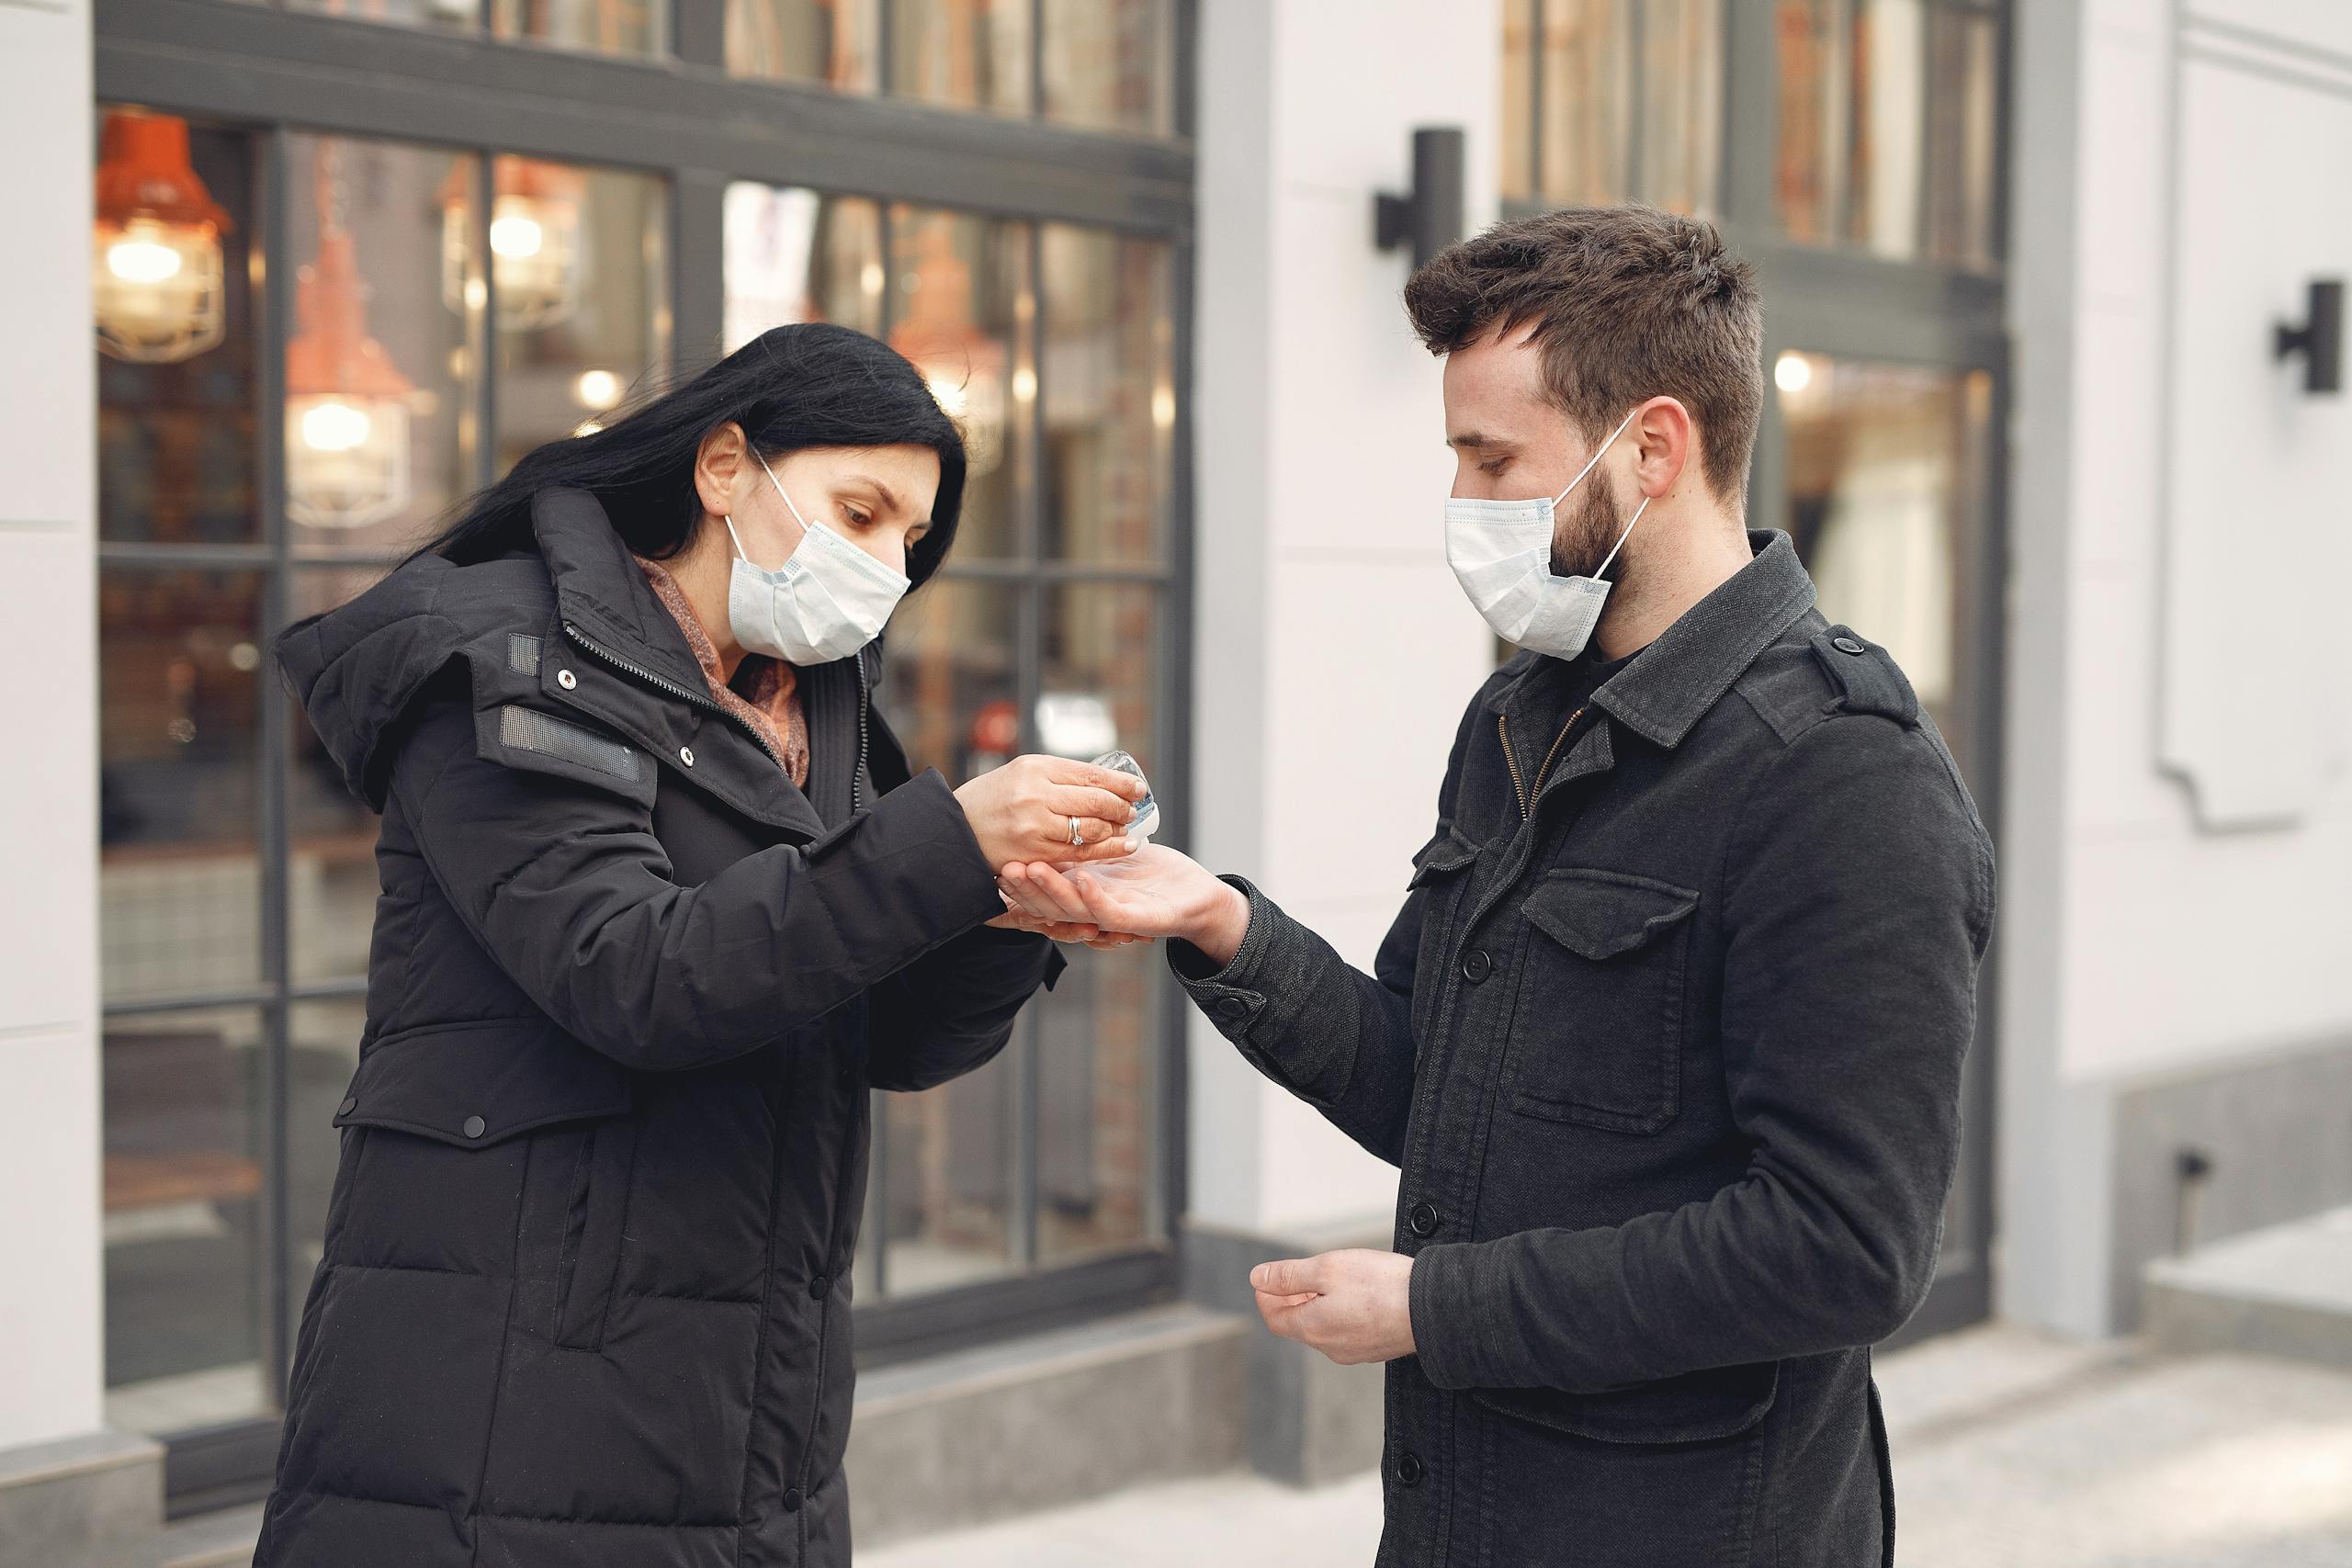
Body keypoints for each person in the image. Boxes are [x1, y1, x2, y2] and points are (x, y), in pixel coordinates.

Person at [1002, 207, 1995, 1566]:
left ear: (1654, 447)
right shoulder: (1518, 721)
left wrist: (1437, 1309)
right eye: (1456, 460)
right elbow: (1428, 1084)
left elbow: (1842, 1248)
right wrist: (1218, 924)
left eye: (1494, 460)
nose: (1465, 507)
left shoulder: (1843, 779)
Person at [254, 322, 1148, 1568]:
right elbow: (634, 974)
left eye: (911, 538)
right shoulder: (510, 662)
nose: (888, 565)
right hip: (516, 1378)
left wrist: (993, 916)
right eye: (861, 509)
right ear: (725, 467)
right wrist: (943, 842)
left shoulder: (815, 704)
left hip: (752, 1393)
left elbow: (882, 1034)